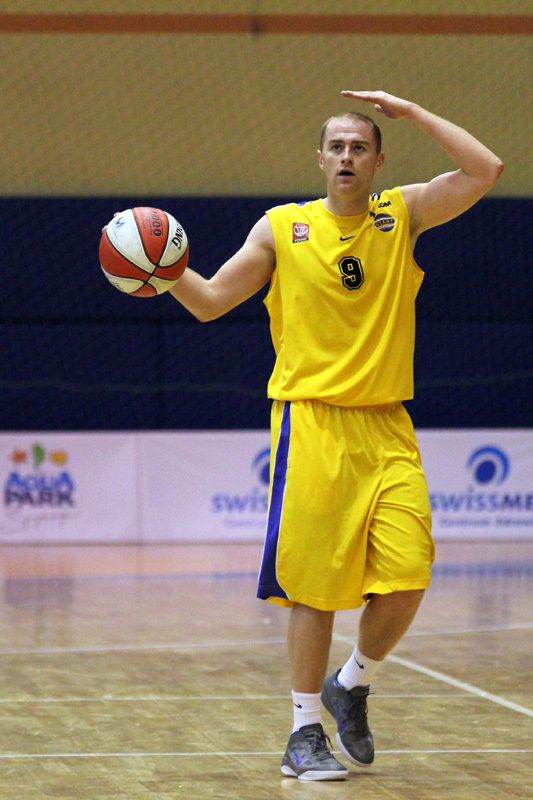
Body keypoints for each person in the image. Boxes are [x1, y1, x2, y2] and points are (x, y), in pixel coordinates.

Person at [169, 90, 503, 781]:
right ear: (320, 159)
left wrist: (414, 113)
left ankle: (350, 683)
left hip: (386, 424)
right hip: (313, 422)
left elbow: (485, 169)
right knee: (314, 589)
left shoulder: (400, 214)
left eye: (359, 147)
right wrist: (159, 272)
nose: (347, 156)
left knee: (409, 574)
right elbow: (210, 301)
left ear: (378, 161)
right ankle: (302, 734)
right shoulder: (281, 228)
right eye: (337, 147)